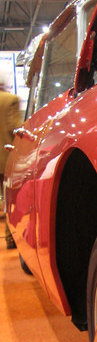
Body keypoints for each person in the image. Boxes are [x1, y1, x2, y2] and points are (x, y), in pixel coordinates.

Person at [0, 74, 22, 249]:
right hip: (4, 159)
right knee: (10, 201)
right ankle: (10, 238)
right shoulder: (9, 100)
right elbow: (15, 128)